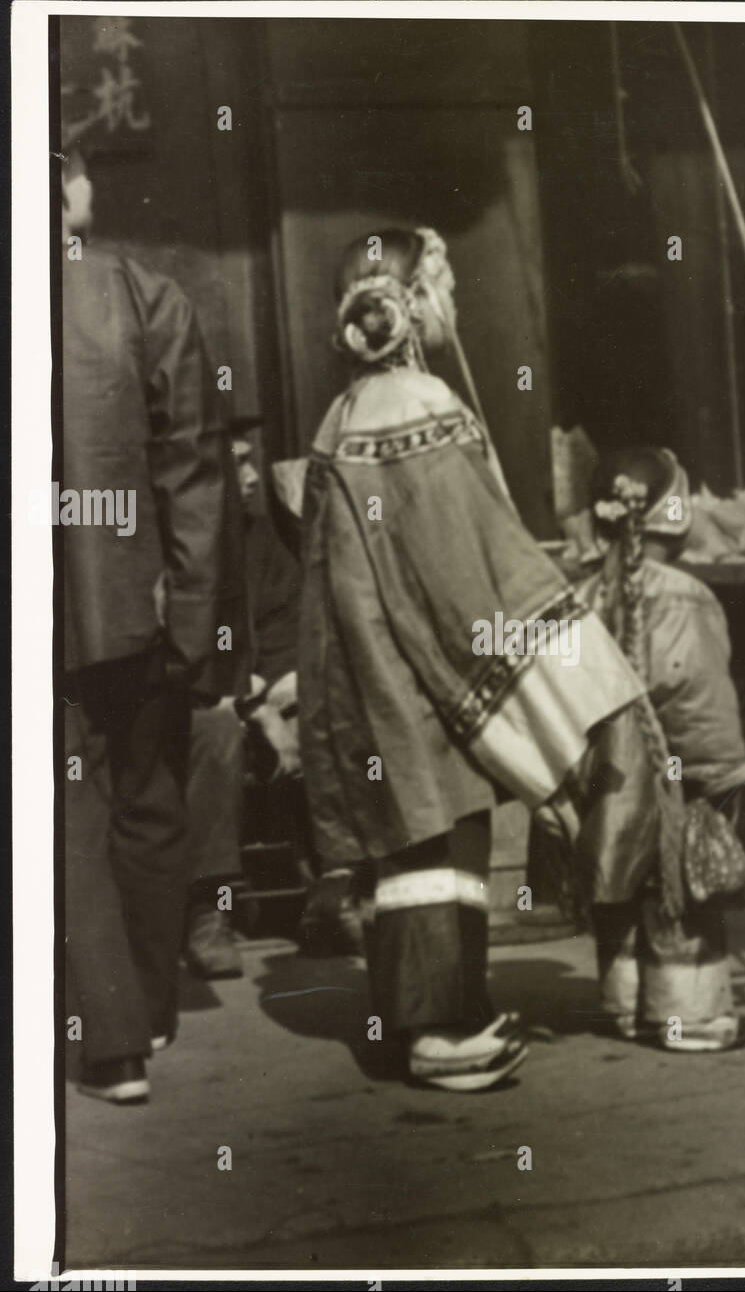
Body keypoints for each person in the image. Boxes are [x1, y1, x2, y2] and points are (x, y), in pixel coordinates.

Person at [299, 226, 642, 1091]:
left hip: (367, 662)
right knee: (433, 831)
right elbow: (464, 556)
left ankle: (430, 1013)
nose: (453, 301)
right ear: (407, 306)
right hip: (411, 664)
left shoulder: (350, 410)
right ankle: (437, 1028)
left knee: (404, 834)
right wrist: (552, 628)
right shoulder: (417, 405)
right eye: (441, 285)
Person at [61, 144, 248, 1104]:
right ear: (72, 189)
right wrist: (195, 607)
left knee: (68, 812)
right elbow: (194, 467)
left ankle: (112, 1044)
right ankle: (153, 1011)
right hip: (139, 606)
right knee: (147, 798)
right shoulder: (148, 297)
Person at [574, 446, 745, 1052]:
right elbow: (700, 698)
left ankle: (624, 1005)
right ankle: (689, 1015)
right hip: (675, 776)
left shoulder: (582, 597)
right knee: (678, 889)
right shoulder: (686, 596)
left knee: (618, 883)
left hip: (605, 775)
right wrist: (721, 776)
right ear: (674, 518)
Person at [183, 418, 303, 979]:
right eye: (240, 463)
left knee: (330, 708)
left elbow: (287, 623)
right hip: (198, 695)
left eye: (253, 460)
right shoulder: (184, 542)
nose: (254, 476)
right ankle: (210, 910)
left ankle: (336, 886)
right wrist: (251, 703)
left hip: (257, 688)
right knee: (215, 729)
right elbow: (188, 646)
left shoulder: (259, 538)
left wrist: (279, 693)